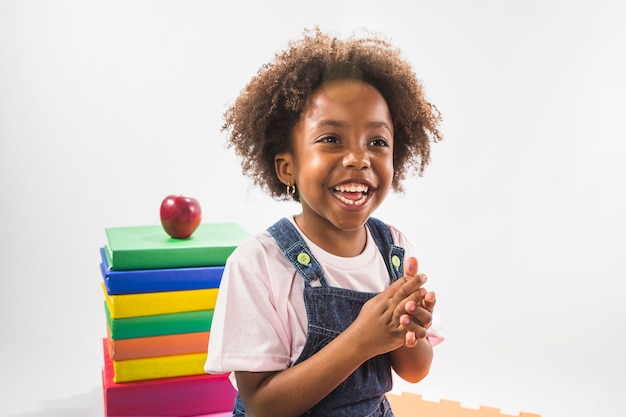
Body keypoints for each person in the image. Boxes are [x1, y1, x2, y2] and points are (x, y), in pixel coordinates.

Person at [205, 27, 444, 417]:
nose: (358, 159)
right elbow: (262, 406)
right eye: (331, 139)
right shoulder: (258, 264)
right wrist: (360, 340)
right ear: (287, 167)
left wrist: (411, 331)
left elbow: (414, 372)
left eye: (377, 142)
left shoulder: (395, 252)